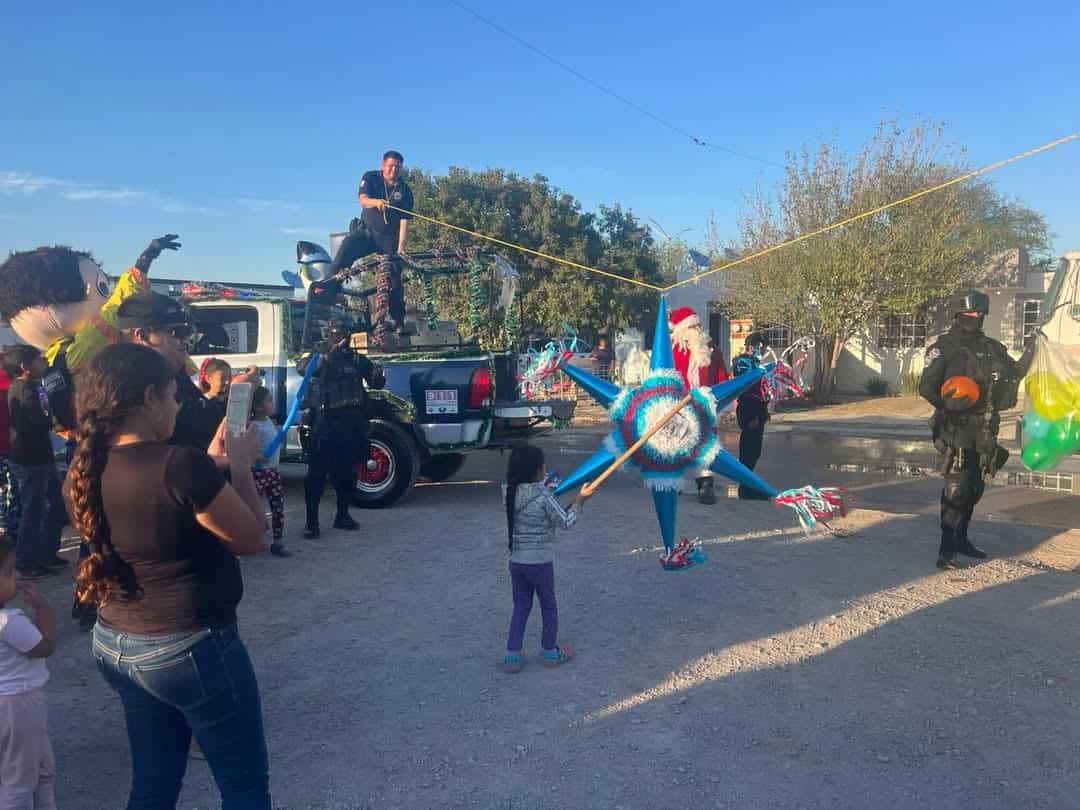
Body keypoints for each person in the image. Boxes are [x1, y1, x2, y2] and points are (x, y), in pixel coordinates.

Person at [65, 343, 271, 809]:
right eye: (173, 396)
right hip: (189, 646)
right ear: (149, 398)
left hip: (118, 641)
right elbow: (251, 539)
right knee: (244, 786)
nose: (178, 405)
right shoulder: (180, 465)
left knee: (154, 782)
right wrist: (239, 465)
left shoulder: (83, 467)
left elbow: (157, 501)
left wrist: (213, 467)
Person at [919, 290, 1035, 570]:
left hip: (985, 427)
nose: (976, 318)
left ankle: (962, 539)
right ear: (958, 315)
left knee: (976, 486)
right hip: (955, 426)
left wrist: (1033, 347)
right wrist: (948, 403)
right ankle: (946, 551)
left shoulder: (992, 346)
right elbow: (926, 386)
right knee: (956, 487)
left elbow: (1016, 372)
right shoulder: (942, 348)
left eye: (980, 314)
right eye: (970, 314)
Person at [116, 291, 257, 453]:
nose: (185, 341)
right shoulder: (128, 383)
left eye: (188, 333)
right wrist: (240, 393)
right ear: (142, 335)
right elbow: (202, 425)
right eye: (178, 333)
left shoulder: (173, 370)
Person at [502, 444, 589, 674]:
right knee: (548, 605)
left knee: (521, 605)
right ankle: (550, 651)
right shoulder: (544, 498)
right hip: (539, 562)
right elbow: (566, 521)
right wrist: (580, 501)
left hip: (517, 561)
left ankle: (512, 655)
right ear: (538, 471)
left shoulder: (508, 493)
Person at [298, 321, 384, 538]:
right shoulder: (317, 355)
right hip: (324, 422)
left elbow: (375, 383)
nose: (341, 339)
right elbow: (304, 370)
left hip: (352, 421)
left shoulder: (356, 359)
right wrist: (327, 356)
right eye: (336, 334)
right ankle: (312, 523)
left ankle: (343, 515)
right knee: (316, 475)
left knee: (348, 472)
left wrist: (377, 377)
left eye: (344, 334)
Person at [327, 150, 415, 336]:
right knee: (348, 244)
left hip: (388, 238)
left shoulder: (405, 191)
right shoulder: (371, 177)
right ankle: (328, 289)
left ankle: (397, 320)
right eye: (390, 166)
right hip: (367, 232)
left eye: (397, 167)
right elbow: (363, 200)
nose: (393, 170)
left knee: (394, 276)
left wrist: (401, 248)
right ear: (383, 165)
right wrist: (376, 202)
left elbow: (404, 221)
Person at [0, 538, 57, 809]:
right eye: (9, 572)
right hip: (18, 705)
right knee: (20, 780)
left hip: (7, 704)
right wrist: (43, 609)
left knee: (35, 767)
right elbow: (44, 647)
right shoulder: (9, 622)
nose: (17, 576)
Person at [3, 346, 66, 580]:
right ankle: (25, 562)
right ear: (25, 367)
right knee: (34, 509)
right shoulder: (24, 390)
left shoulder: (29, 387)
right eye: (39, 360)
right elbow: (39, 420)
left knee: (55, 504)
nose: (44, 362)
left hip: (41, 456)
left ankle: (46, 554)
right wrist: (57, 421)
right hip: (31, 458)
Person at [667, 306, 725, 504]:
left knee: (704, 446)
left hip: (703, 406)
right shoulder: (673, 349)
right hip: (678, 407)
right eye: (695, 325)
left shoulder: (710, 349)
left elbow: (721, 379)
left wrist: (722, 402)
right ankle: (677, 485)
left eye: (698, 325)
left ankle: (704, 484)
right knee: (675, 444)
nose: (697, 329)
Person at [250, 387, 290, 558]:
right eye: (269, 400)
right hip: (259, 473)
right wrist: (258, 457)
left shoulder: (269, 422)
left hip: (273, 472)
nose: (273, 403)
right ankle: (252, 539)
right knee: (254, 508)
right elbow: (250, 449)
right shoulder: (254, 426)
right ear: (259, 407)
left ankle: (278, 541)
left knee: (278, 507)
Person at [733, 333, 771, 500]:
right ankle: (745, 487)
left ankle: (748, 485)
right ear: (753, 346)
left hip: (758, 409)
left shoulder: (755, 363)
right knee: (749, 449)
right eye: (761, 348)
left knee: (755, 450)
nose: (763, 351)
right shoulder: (743, 362)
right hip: (749, 408)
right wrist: (754, 416)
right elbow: (749, 386)